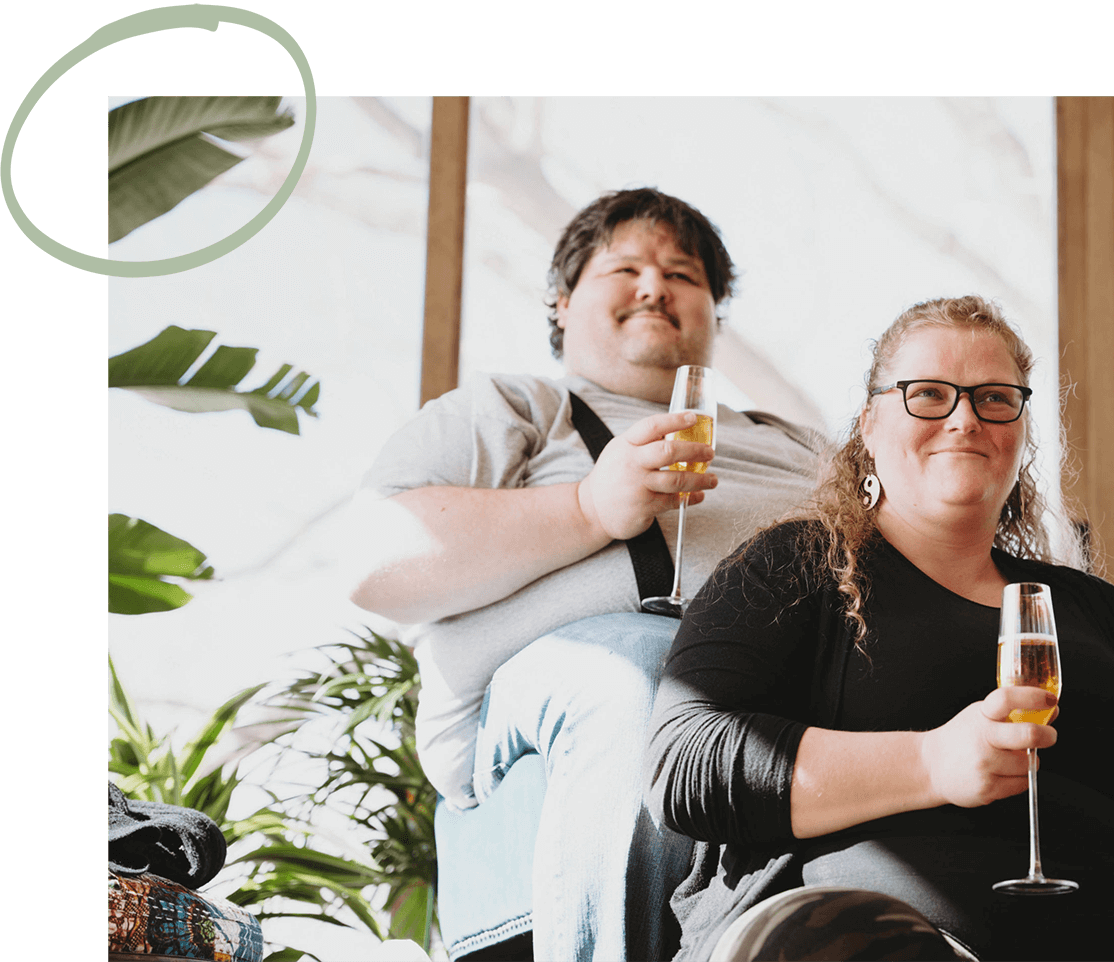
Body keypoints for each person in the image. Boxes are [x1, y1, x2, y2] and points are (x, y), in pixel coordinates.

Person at [644, 296, 1114, 962]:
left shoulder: (1097, 609)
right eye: (927, 394)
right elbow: (685, 762)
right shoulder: (795, 563)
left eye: (993, 399)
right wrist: (929, 763)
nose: (963, 418)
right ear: (868, 425)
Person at [345, 188, 823, 961]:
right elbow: (373, 560)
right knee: (635, 677)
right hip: (582, 693)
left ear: (713, 316)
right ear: (562, 304)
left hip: (781, 702)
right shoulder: (520, 405)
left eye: (682, 274)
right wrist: (589, 509)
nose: (653, 286)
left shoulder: (796, 442)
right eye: (625, 267)